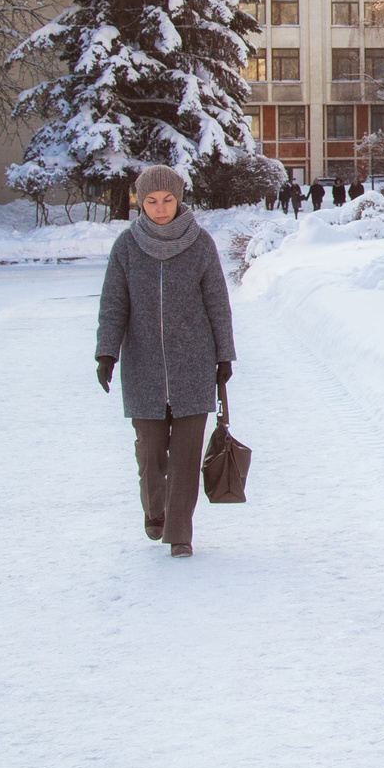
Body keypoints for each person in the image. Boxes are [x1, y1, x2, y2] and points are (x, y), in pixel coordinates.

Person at [94, 165, 236, 558]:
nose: (160, 209)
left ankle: (180, 533)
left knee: (187, 457)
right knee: (150, 453)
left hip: (194, 364)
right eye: (151, 201)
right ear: (140, 201)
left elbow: (218, 305)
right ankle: (155, 509)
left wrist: (224, 355)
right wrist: (107, 352)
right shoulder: (126, 246)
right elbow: (113, 304)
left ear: (179, 199)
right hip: (143, 367)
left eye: (167, 201)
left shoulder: (200, 243)